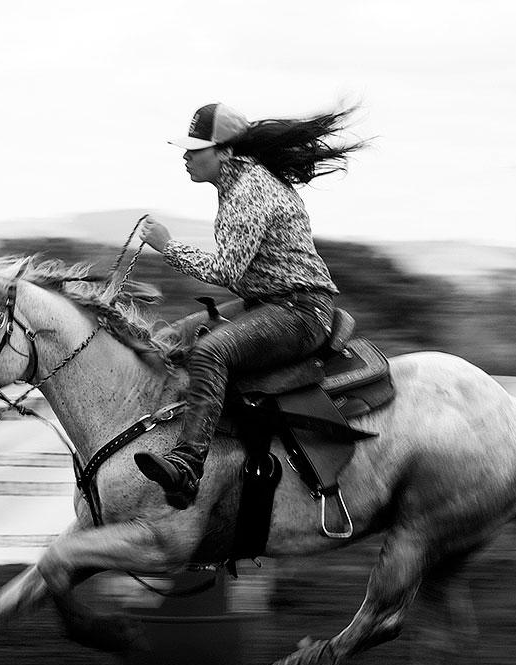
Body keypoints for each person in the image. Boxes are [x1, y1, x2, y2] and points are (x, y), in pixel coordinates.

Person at [134, 102, 365, 509]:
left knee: (210, 353)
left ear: (225, 152)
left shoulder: (249, 192)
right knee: (171, 338)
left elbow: (226, 269)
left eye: (195, 149)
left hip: (299, 312)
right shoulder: (239, 185)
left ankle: (187, 466)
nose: (186, 157)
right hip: (270, 304)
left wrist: (167, 246)